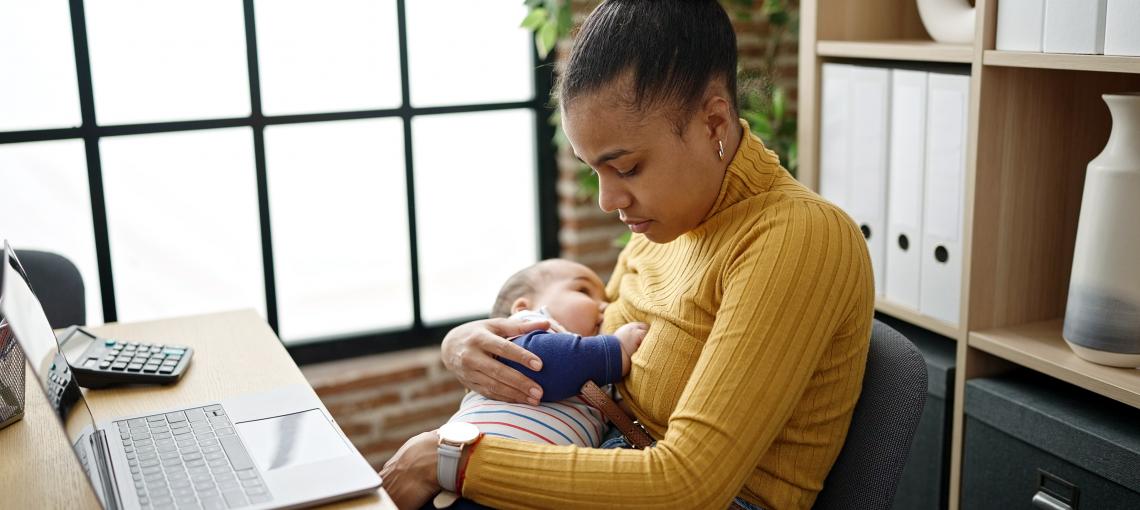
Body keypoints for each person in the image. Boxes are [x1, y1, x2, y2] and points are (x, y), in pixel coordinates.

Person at [380, 1, 874, 508]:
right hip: (601, 451)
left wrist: (452, 459)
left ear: (714, 123)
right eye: (593, 169)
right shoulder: (672, 219)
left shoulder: (797, 237)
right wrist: (464, 343)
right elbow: (594, 331)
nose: (607, 200)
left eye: (629, 167)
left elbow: (688, 485)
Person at [445, 258, 648, 447]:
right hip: (480, 448)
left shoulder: (593, 365)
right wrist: (616, 349)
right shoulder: (527, 329)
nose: (604, 306)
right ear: (523, 308)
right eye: (584, 291)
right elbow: (543, 365)